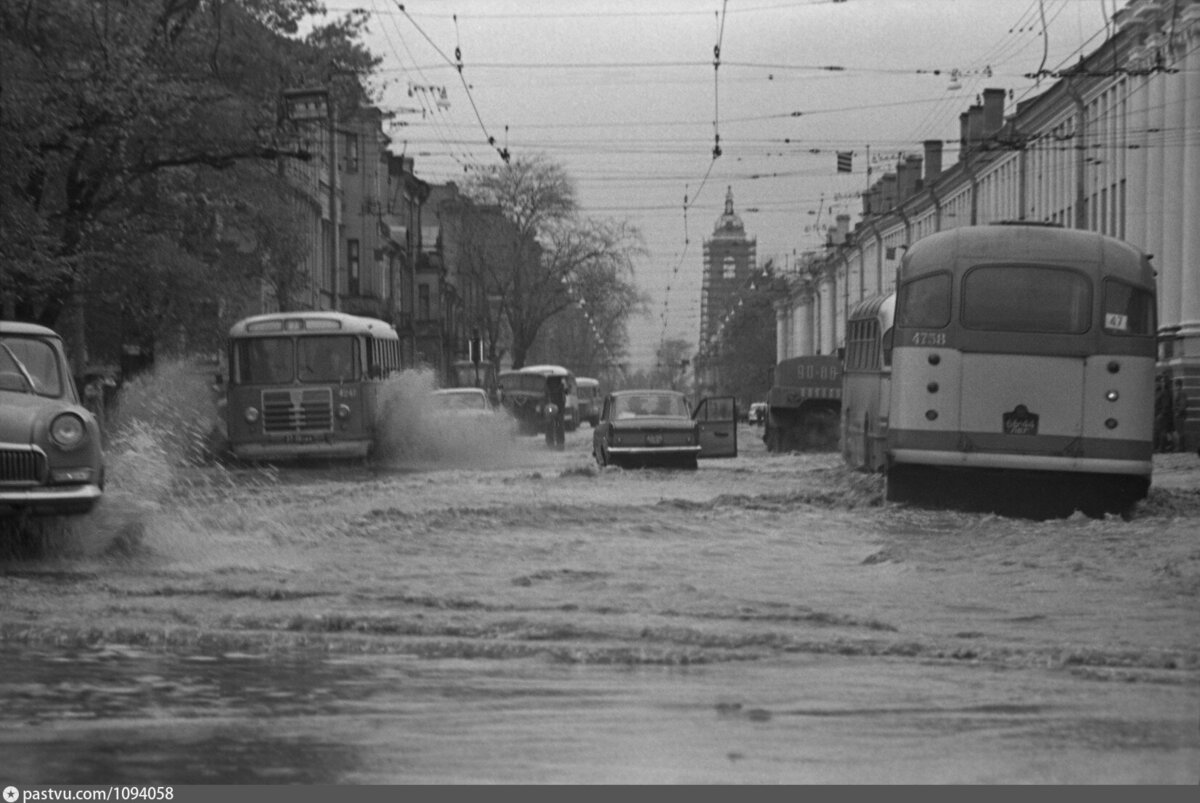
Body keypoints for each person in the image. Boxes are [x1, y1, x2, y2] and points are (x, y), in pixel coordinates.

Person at [545, 375, 566, 449]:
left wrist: (561, 410)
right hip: (551, 408)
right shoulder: (546, 388)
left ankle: (558, 442)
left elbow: (563, 400)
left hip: (558, 408)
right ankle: (552, 442)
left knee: (558, 424)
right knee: (550, 424)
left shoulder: (561, 388)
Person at [1172, 378, 1189, 453]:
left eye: (1177, 385)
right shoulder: (1178, 392)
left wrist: (1178, 412)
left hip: (1180, 415)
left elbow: (1183, 404)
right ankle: (1181, 447)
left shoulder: (1181, 393)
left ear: (1180, 385)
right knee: (1180, 431)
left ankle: (1181, 448)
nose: (1176, 387)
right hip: (1178, 414)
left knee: (1180, 431)